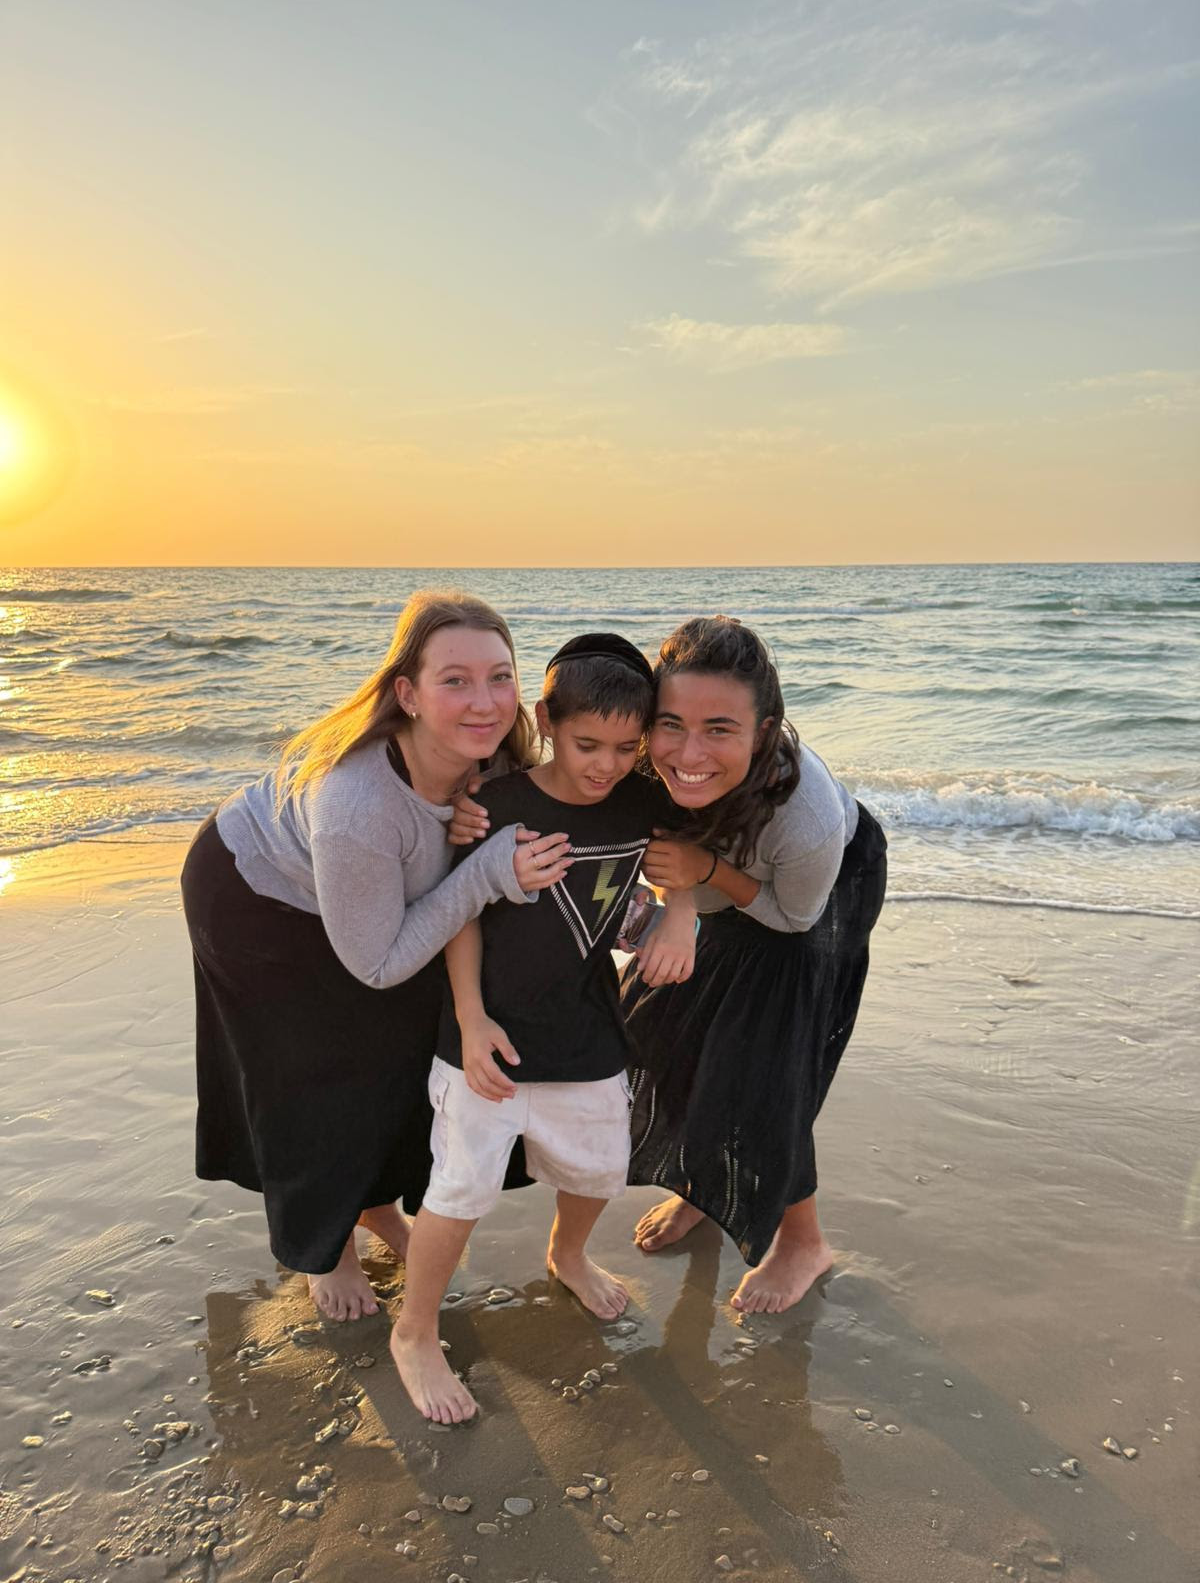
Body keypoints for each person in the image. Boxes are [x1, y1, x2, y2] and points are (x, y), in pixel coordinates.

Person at [180, 590, 572, 1323]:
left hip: (366, 907)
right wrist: (484, 873)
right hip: (255, 895)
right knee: (316, 1073)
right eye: (455, 680)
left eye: (500, 677)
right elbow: (380, 966)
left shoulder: (493, 759)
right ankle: (325, 1248)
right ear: (408, 695)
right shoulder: (357, 805)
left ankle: (374, 1205)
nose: (485, 701)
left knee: (402, 1055)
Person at [390, 633, 697, 1423]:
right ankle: (414, 1331)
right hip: (487, 1034)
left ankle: (568, 1254)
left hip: (586, 1027)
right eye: (587, 744)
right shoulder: (495, 804)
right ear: (546, 721)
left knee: (599, 1165)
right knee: (459, 1189)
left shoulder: (643, 799)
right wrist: (470, 1019)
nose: (606, 765)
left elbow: (683, 864)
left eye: (627, 748)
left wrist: (680, 917)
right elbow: (461, 915)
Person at [622, 615, 887, 1315]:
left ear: (764, 731)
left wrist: (705, 870)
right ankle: (701, 1191)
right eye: (671, 724)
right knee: (667, 1031)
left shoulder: (807, 817)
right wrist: (681, 900)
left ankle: (803, 1243)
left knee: (765, 1070)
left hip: (816, 898)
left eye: (720, 729)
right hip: (718, 885)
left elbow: (791, 917)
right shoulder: (646, 761)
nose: (689, 752)